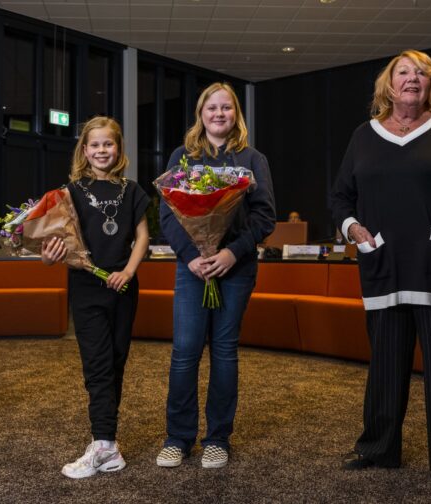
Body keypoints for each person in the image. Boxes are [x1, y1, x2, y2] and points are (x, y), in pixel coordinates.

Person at [329, 49, 431, 496]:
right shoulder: (365, 135)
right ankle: (378, 447)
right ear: (389, 83)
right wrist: (353, 228)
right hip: (384, 265)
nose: (413, 79)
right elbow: (341, 198)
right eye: (404, 72)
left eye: (422, 73)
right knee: (385, 365)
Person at [156, 83, 276, 469]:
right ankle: (178, 437)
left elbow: (264, 217)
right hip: (192, 270)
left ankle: (217, 439)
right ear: (201, 113)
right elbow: (167, 216)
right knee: (185, 352)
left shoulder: (253, 159)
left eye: (226, 107)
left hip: (235, 269)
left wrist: (230, 253)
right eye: (212, 108)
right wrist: (192, 256)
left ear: (235, 113)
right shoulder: (183, 157)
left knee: (224, 351)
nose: (219, 114)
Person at [41, 116, 149, 479]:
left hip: (124, 288)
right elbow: (52, 244)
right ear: (84, 150)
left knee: (116, 363)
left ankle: (110, 445)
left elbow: (142, 237)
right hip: (86, 289)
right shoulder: (70, 192)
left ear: (118, 148)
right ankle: (102, 442)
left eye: (108, 144)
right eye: (95, 145)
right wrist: (48, 255)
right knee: (97, 366)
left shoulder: (132, 190)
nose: (102, 150)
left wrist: (128, 272)